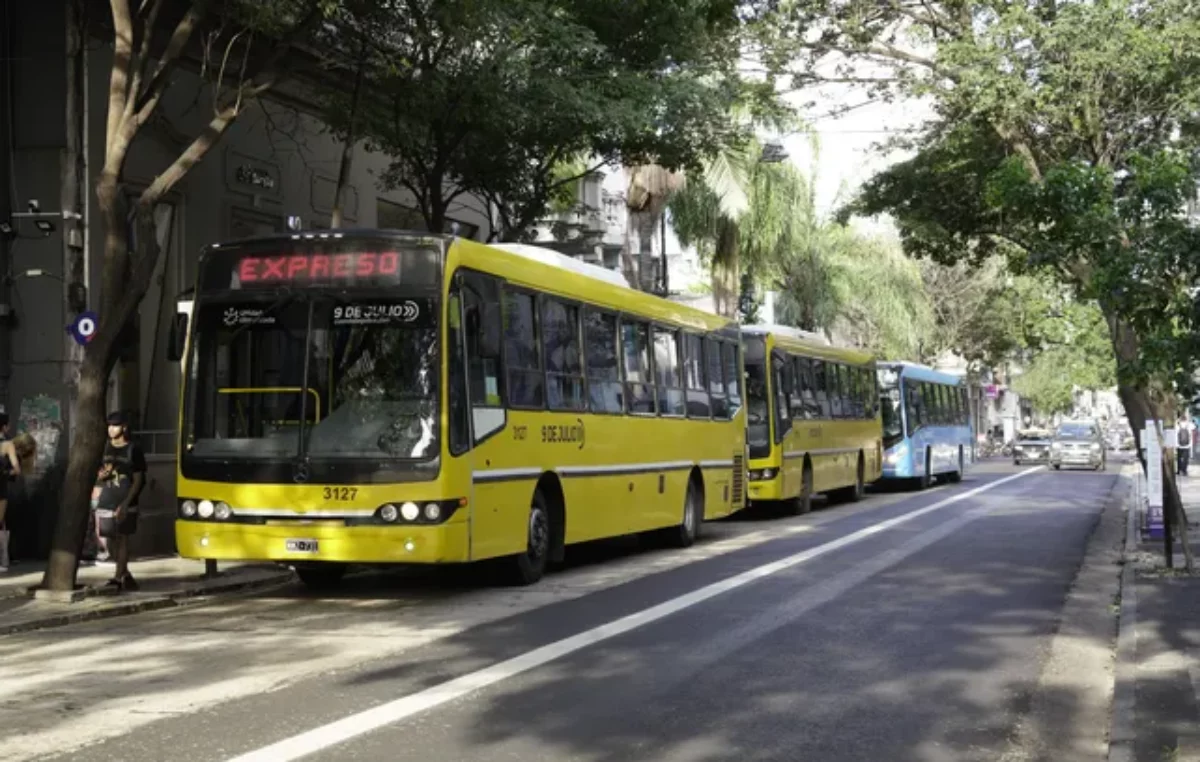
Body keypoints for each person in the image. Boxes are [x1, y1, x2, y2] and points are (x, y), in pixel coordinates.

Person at [93, 411, 146, 591]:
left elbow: (139, 479)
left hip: (125, 501)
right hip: (106, 498)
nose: (111, 429)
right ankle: (125, 574)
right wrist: (102, 476)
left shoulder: (133, 449)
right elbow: (100, 474)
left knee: (122, 538)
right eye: (109, 425)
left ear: (124, 427)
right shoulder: (105, 448)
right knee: (109, 539)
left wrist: (126, 503)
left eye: (115, 425)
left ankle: (117, 577)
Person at [0, 414, 20, 572]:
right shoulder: (7, 444)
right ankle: (3, 560)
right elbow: (16, 469)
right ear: (5, 427)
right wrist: (5, 473)